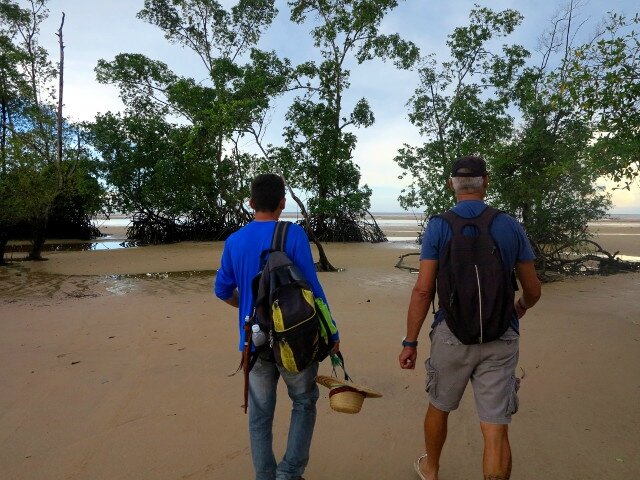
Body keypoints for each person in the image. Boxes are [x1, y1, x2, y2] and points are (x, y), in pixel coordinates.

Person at [398, 156, 542, 480]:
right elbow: (533, 289)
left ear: (452, 184)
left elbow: (423, 291)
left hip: (451, 334)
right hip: (501, 334)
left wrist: (410, 342)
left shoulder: (439, 226)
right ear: (485, 181)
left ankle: (431, 469)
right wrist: (520, 307)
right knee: (495, 428)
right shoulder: (508, 225)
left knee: (439, 405)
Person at [215, 173, 340, 480]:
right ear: (283, 203)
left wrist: (245, 305)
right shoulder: (293, 235)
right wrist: (332, 332)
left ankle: (266, 476)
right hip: (295, 338)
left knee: (259, 416)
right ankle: (290, 473)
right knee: (304, 401)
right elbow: (312, 289)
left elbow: (221, 290)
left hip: (253, 342)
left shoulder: (235, 241)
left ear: (251, 203)